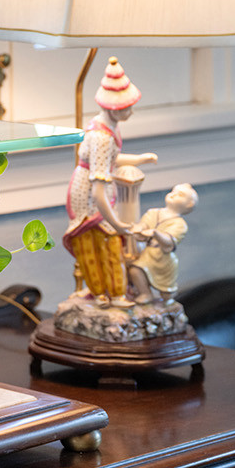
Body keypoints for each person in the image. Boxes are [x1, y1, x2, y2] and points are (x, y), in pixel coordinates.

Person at [63, 58, 157, 303]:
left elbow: (108, 161)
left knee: (106, 242)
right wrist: (116, 223)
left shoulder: (107, 126)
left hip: (95, 192)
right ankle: (106, 293)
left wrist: (139, 159)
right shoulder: (102, 137)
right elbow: (98, 193)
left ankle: (109, 291)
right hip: (89, 199)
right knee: (104, 241)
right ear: (114, 109)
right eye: (128, 108)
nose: (131, 112)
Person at [127, 184, 198, 304]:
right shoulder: (153, 213)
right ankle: (145, 293)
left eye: (180, 195)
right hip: (148, 254)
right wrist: (138, 229)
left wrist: (156, 233)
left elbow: (169, 241)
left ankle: (168, 301)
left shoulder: (180, 224)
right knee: (135, 270)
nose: (173, 195)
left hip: (164, 259)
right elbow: (144, 225)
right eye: (173, 191)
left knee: (166, 292)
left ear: (189, 204)